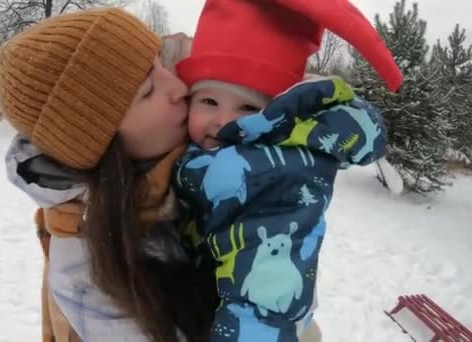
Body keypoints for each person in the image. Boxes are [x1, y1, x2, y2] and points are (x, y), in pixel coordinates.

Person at [171, 1, 403, 341]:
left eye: (248, 107)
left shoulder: (276, 177)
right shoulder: (206, 153)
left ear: (276, 116)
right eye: (208, 102)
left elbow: (266, 296)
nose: (221, 121)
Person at [0, 8, 217, 342]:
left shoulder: (178, 181)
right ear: (101, 143)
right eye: (147, 91)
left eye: (159, 66)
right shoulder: (88, 269)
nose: (178, 87)